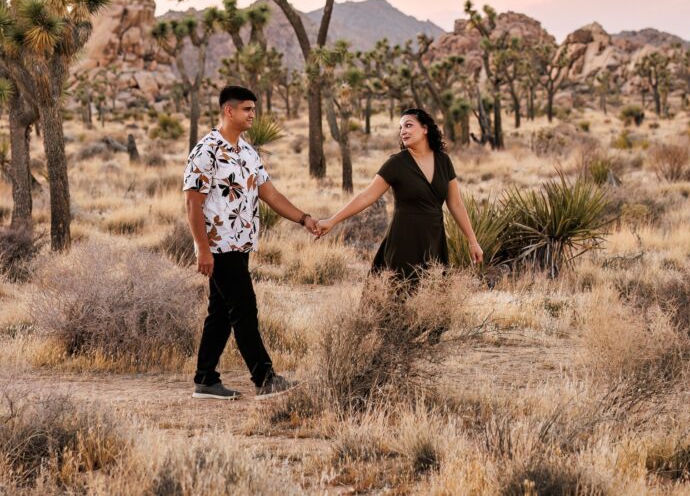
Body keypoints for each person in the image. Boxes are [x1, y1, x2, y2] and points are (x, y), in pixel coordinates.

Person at [184, 85, 322, 400]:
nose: (252, 115)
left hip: (241, 244)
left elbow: (269, 193)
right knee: (244, 308)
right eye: (246, 109)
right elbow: (193, 203)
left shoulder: (247, 151)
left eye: (253, 109)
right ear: (228, 111)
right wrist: (203, 248)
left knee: (220, 311)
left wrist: (303, 218)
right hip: (219, 245)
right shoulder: (207, 150)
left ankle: (205, 379)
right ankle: (264, 378)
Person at [317, 107, 483, 279]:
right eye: (401, 128)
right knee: (398, 295)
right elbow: (367, 196)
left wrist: (472, 241)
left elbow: (455, 204)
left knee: (431, 296)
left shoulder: (443, 161)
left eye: (408, 125)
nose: (403, 131)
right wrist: (332, 220)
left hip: (434, 240)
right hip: (404, 240)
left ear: (425, 129)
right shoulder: (396, 163)